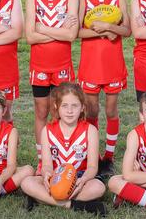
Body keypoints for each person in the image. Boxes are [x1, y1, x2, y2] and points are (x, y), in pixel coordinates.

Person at [76, 0, 131, 177]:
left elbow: (127, 30)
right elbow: (77, 32)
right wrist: (101, 30)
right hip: (90, 66)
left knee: (110, 110)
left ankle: (108, 156)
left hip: (112, 65)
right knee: (91, 111)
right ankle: (93, 154)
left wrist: (111, 27)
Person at [24, 0, 79, 169]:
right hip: (39, 65)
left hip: (62, 65)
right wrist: (59, 31)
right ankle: (41, 161)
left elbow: (71, 36)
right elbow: (29, 37)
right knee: (42, 111)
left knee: (62, 112)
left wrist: (42, 28)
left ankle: (62, 159)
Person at [20, 83, 107, 215]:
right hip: (56, 176)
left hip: (79, 177)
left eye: (75, 106)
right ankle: (74, 205)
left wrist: (83, 180)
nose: (70, 111)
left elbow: (92, 167)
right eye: (65, 106)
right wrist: (47, 174)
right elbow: (47, 165)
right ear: (56, 106)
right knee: (27, 182)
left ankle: (41, 198)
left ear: (82, 107)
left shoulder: (90, 130)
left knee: (99, 187)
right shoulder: (47, 131)